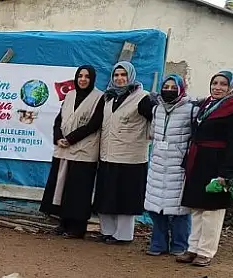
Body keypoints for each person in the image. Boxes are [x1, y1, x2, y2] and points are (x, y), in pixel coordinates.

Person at [177, 71, 233, 267]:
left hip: (219, 161)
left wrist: (227, 172)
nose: (218, 87)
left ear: (231, 87)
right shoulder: (207, 104)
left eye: (223, 84)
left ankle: (206, 251)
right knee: (197, 207)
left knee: (212, 209)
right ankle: (193, 248)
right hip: (199, 160)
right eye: (215, 83)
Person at [91, 61, 154, 244]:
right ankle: (107, 231)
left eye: (123, 75)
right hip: (108, 154)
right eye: (116, 75)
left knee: (125, 198)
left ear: (131, 76)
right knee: (106, 195)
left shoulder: (142, 98)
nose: (119, 79)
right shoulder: (109, 97)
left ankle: (124, 235)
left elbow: (155, 120)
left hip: (131, 157)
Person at [40, 65, 103, 238]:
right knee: (62, 188)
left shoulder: (99, 98)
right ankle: (64, 222)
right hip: (64, 149)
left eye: (87, 77)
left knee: (78, 190)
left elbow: (93, 124)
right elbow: (59, 119)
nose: (83, 79)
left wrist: (71, 139)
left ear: (92, 79)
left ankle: (77, 227)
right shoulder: (70, 95)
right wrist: (58, 137)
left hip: (83, 150)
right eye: (80, 76)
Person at [144, 74, 195, 256]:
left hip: (178, 166)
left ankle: (180, 245)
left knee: (180, 209)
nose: (169, 90)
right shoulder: (157, 109)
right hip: (158, 163)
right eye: (166, 86)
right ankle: (158, 244)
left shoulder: (191, 110)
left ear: (181, 89)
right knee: (156, 207)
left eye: (174, 87)